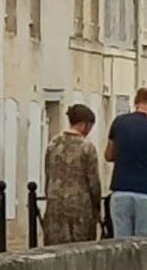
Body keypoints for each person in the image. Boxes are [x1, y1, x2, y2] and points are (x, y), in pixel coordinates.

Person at [106, 90, 147, 240]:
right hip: (146, 192)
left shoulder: (119, 122)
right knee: (144, 243)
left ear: (136, 101)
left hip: (121, 189)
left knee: (121, 241)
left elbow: (109, 155)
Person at [41, 102, 102, 248]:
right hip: (80, 209)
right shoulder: (87, 147)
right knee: (81, 251)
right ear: (84, 125)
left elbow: (48, 174)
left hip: (55, 207)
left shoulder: (53, 144)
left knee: (54, 251)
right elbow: (93, 182)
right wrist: (97, 207)